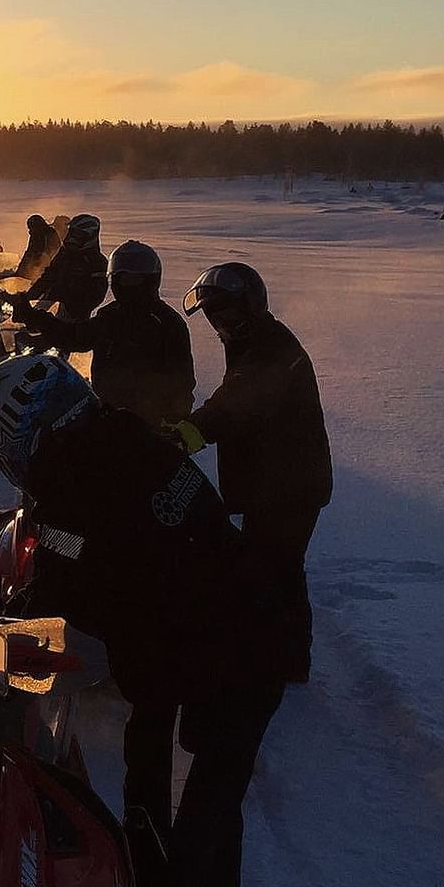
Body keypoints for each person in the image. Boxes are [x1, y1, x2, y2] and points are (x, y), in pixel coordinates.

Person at [0, 354, 279, 887]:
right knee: (150, 785)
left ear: (29, 429)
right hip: (204, 633)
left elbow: (56, 596)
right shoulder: (120, 432)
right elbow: (118, 563)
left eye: (1, 449)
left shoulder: (73, 479)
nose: (7, 467)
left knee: (205, 840)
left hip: (231, 651)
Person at [171, 262, 332, 686]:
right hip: (275, 480)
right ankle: (284, 656)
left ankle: (284, 662)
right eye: (213, 317)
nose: (219, 325)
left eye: (225, 314)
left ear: (250, 306)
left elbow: (236, 404)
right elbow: (233, 397)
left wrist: (187, 432)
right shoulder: (251, 341)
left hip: (292, 484)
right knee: (275, 568)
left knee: (277, 569)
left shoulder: (271, 349)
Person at [2, 239, 195, 426]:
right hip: (106, 414)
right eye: (121, 278)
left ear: (150, 279)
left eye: (133, 279)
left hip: (148, 423)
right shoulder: (111, 316)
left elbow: (182, 383)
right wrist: (33, 317)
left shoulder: (167, 324)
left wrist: (171, 425)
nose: (126, 284)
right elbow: (75, 337)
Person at [21, 213, 107, 322]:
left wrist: (73, 304)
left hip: (74, 315)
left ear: (89, 237)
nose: (73, 239)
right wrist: (28, 297)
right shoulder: (65, 253)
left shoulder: (97, 262)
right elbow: (48, 276)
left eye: (78, 235)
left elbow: (96, 295)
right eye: (72, 234)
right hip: (49, 303)